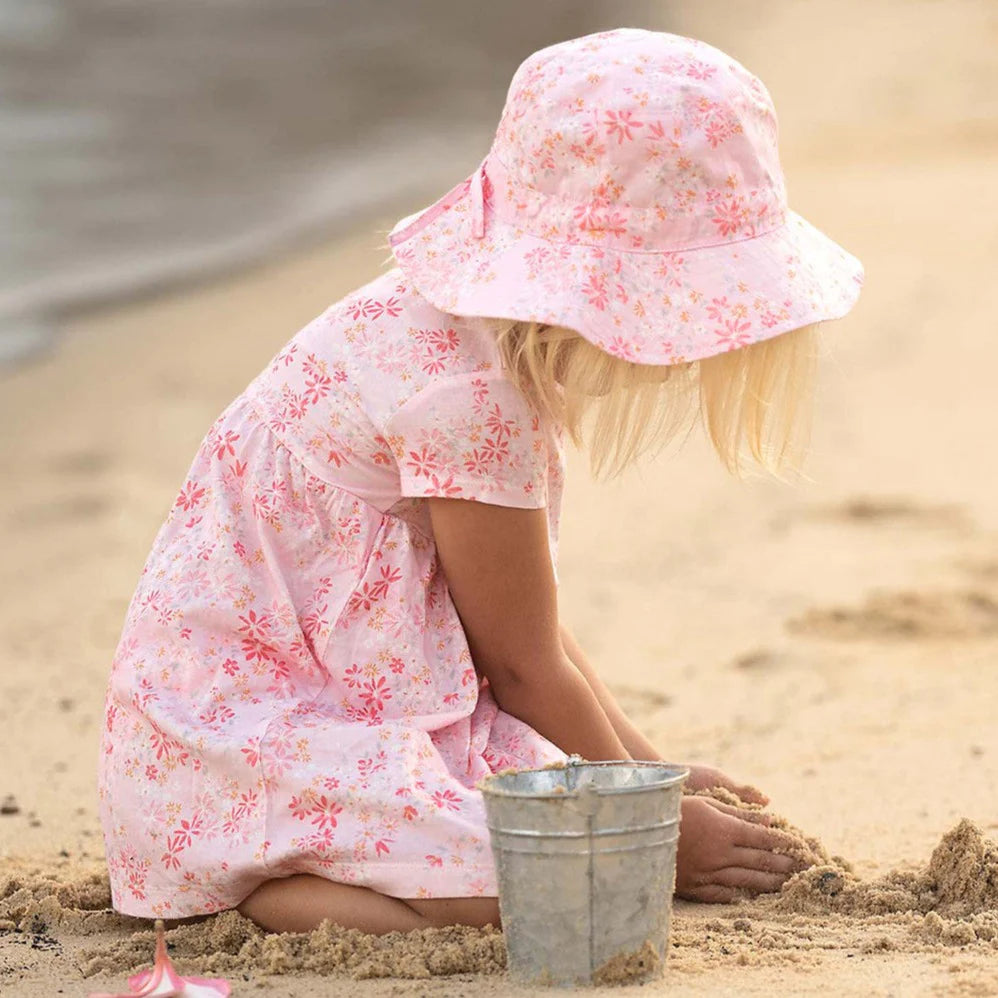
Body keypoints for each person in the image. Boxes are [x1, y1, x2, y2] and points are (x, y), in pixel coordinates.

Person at [97, 27, 863, 935]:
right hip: (237, 741)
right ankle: (271, 883)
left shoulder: (466, 333)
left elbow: (523, 630)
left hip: (325, 689)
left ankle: (321, 856)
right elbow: (519, 665)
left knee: (555, 837)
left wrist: (648, 770)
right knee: (557, 892)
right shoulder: (466, 395)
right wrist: (656, 833)